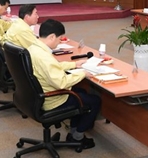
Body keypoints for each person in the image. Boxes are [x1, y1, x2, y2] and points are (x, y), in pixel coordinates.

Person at [27, 19, 101, 149]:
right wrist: (82, 73)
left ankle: (73, 130)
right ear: (51, 37)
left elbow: (52, 67)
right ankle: (77, 137)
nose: (60, 42)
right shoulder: (44, 57)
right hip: (52, 99)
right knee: (95, 101)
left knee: (82, 92)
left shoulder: (34, 47)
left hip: (35, 96)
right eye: (60, 39)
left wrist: (74, 64)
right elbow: (61, 83)